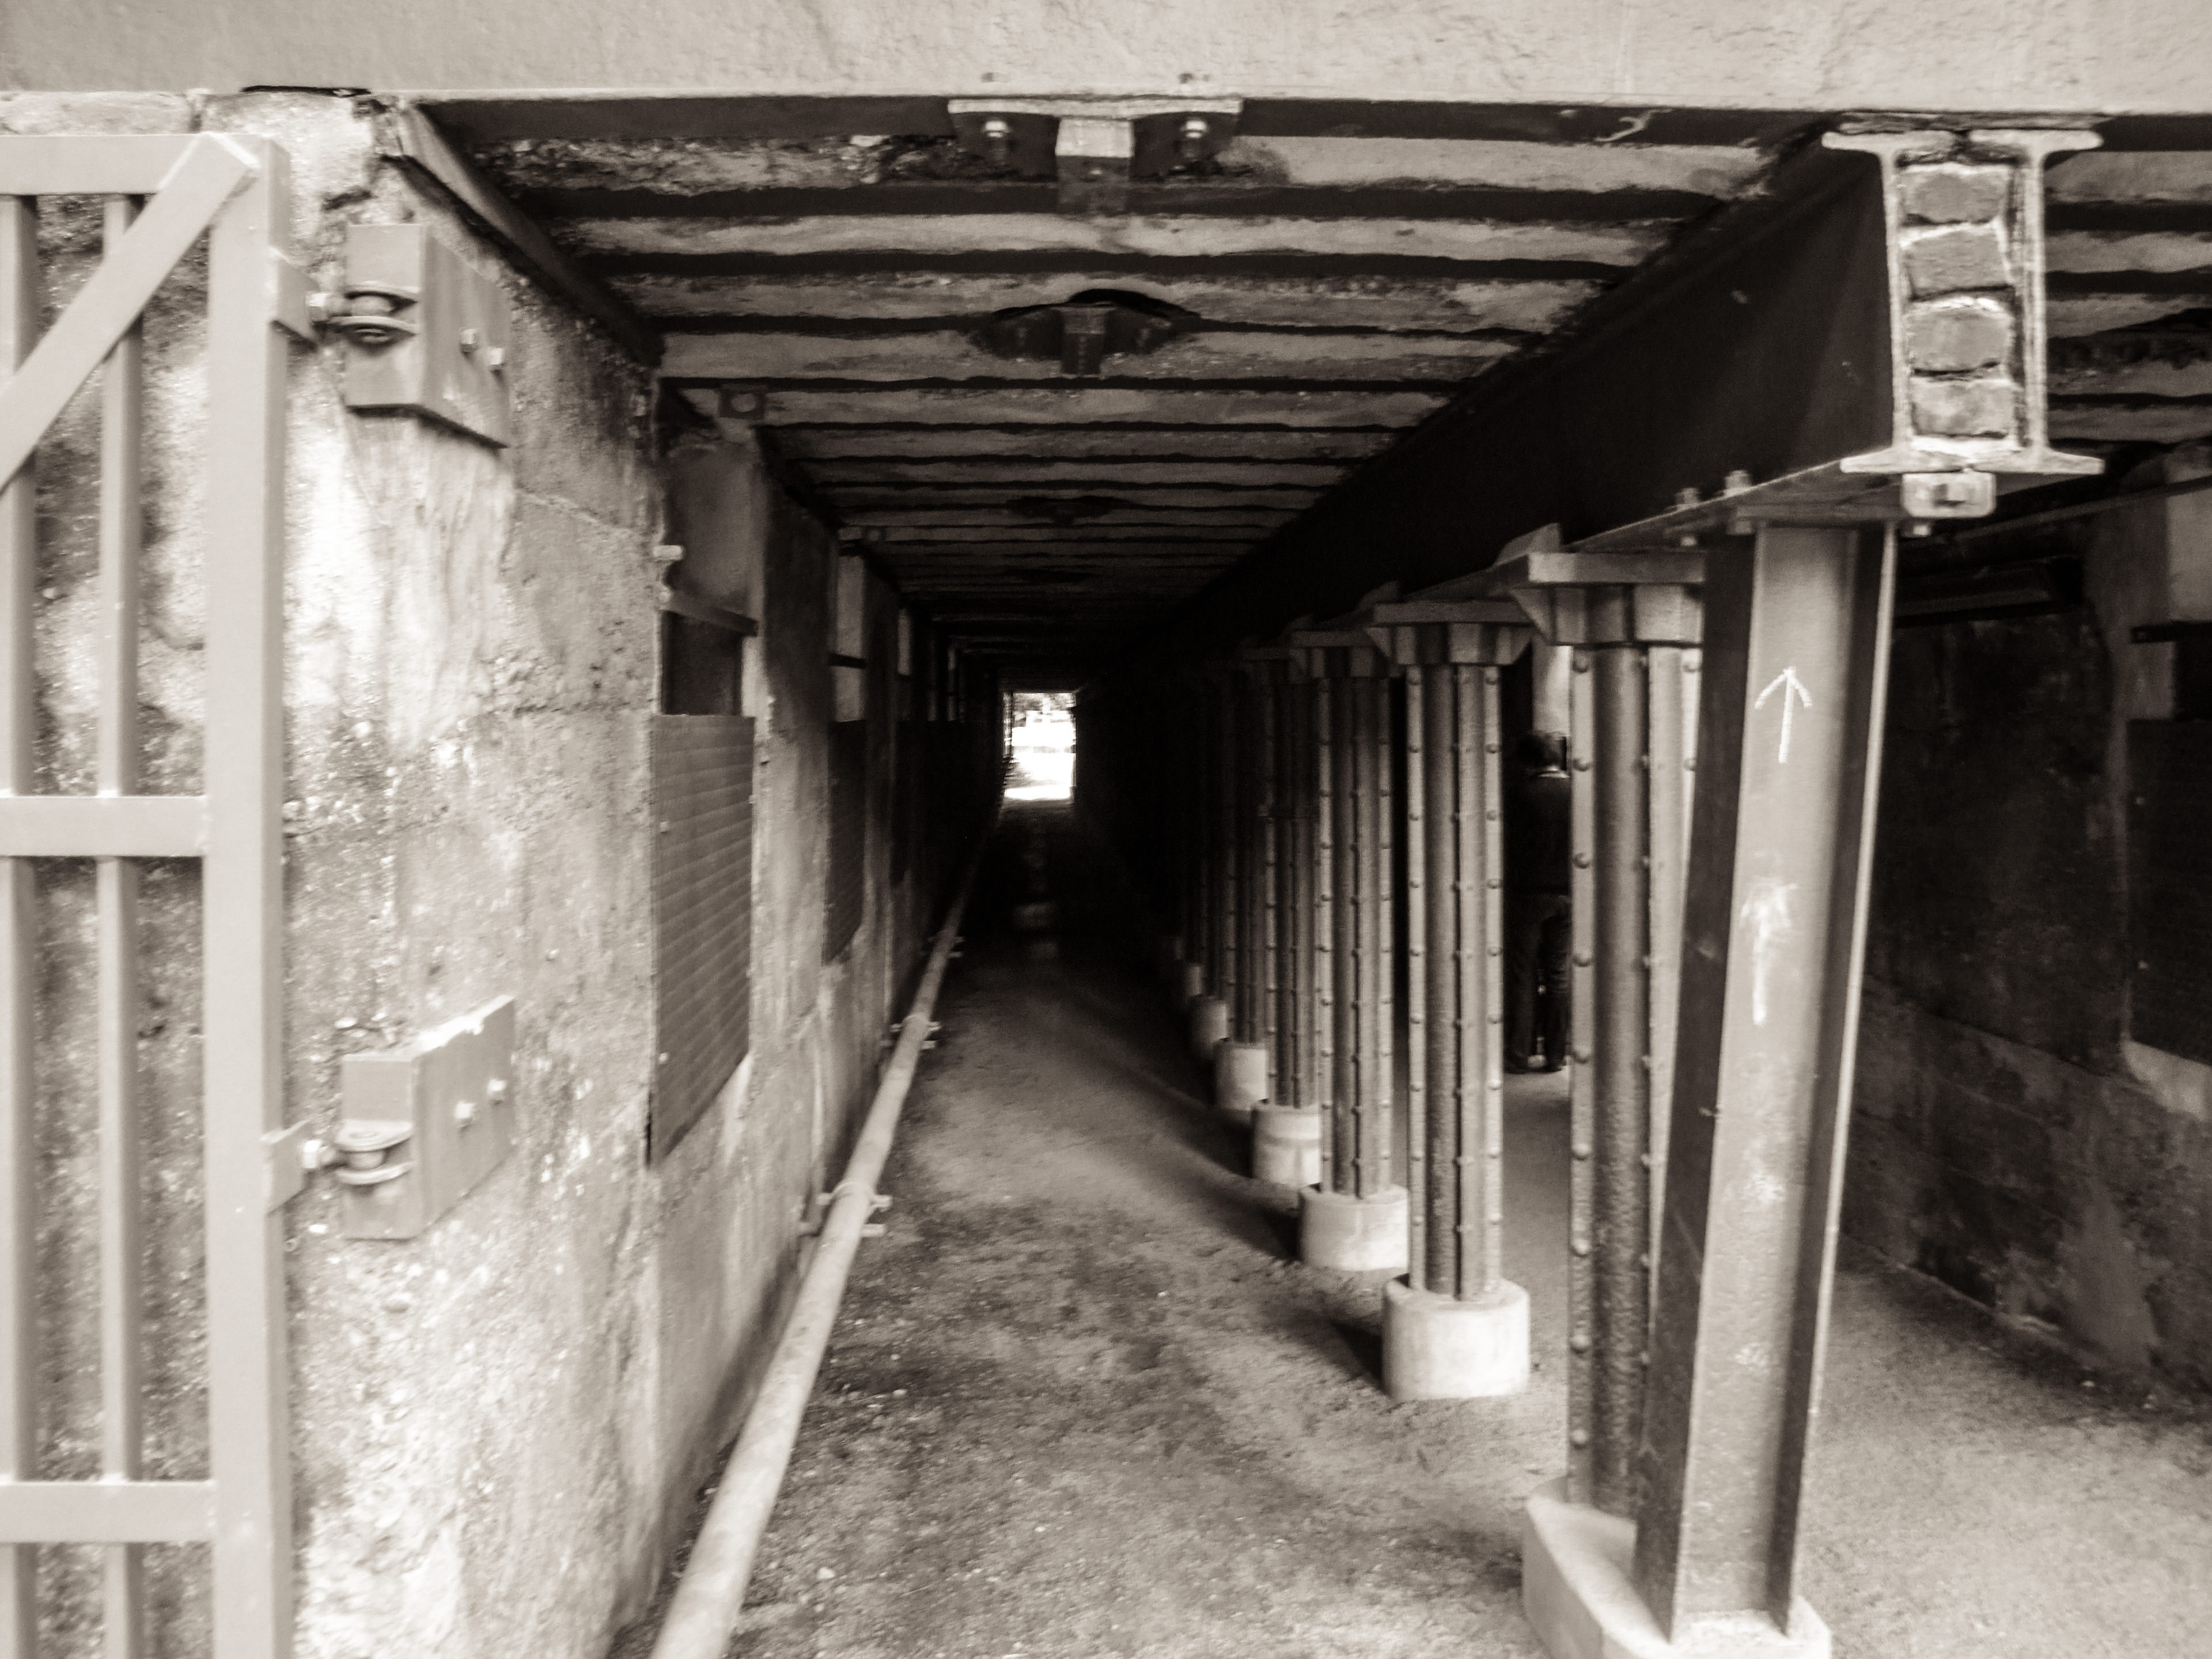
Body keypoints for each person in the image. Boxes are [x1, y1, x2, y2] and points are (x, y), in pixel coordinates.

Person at [1505, 730, 1572, 1073]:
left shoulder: (1520, 794)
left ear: (1529, 762)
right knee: (1559, 974)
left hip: (1528, 894)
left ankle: (1519, 1054)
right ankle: (1557, 1055)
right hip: (1568, 893)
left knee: (1523, 974)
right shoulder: (1577, 791)